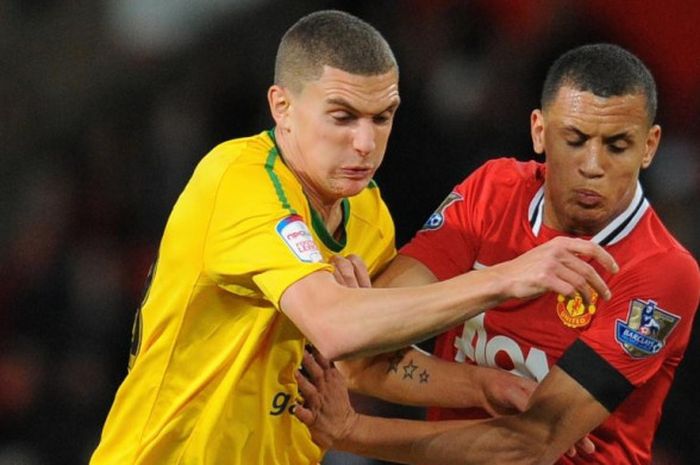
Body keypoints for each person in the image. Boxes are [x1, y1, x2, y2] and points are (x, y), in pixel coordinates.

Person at [89, 11, 618, 465]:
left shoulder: (367, 214)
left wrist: (485, 387)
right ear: (282, 107)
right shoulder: (238, 181)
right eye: (343, 117)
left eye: (382, 117)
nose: (365, 143)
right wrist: (507, 278)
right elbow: (335, 325)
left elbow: (361, 363)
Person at [295, 43, 700, 465]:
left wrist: (353, 430)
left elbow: (531, 444)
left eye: (617, 146)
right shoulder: (494, 192)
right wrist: (482, 380)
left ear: (650, 146)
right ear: (539, 132)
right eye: (574, 140)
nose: (592, 165)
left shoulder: (663, 271)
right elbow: (361, 349)